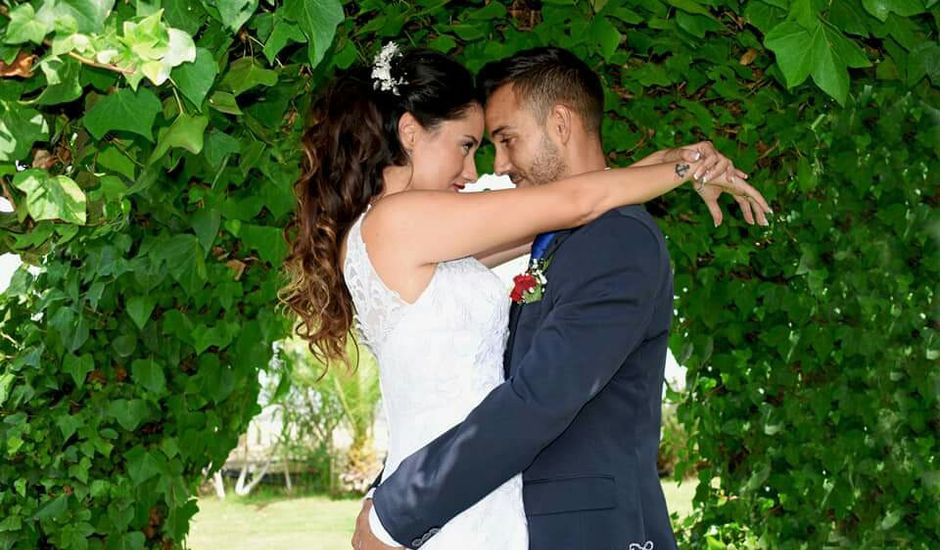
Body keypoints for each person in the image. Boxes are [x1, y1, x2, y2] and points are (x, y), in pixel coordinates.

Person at [280, 44, 769, 550]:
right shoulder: (400, 222)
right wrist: (685, 170)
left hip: (460, 488)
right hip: (447, 493)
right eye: (467, 145)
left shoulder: (414, 234)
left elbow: (568, 212)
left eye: (493, 142)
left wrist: (669, 162)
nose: (477, 171)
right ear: (409, 134)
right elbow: (575, 203)